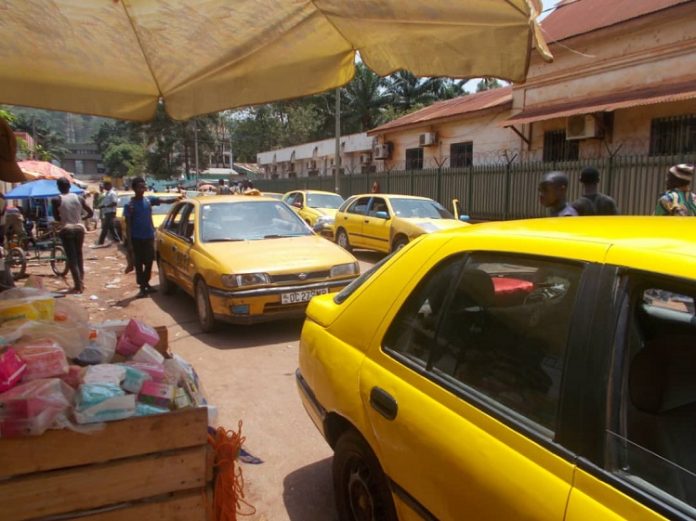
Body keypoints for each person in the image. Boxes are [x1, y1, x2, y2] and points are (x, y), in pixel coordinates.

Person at [125, 177, 180, 298]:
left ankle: (146, 283)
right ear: (134, 188)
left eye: (144, 186)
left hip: (149, 236)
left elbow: (163, 200)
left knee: (149, 261)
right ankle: (142, 286)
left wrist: (176, 199)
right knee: (138, 263)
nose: (143, 189)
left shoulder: (148, 200)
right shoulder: (130, 205)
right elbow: (128, 225)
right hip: (136, 238)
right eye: (140, 187)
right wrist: (129, 243)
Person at [51, 177, 93, 294]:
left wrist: (63, 218)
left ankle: (78, 286)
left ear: (58, 187)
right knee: (79, 256)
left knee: (72, 258)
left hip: (67, 229)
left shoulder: (56, 200)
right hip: (79, 228)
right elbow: (90, 213)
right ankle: (81, 282)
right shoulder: (79, 197)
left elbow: (56, 217)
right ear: (69, 186)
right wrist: (81, 218)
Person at [96, 178, 121, 245]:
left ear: (109, 185)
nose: (104, 187)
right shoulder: (107, 193)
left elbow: (114, 203)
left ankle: (100, 242)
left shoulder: (112, 193)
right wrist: (101, 205)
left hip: (111, 212)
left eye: (105, 185)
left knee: (105, 227)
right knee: (111, 227)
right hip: (107, 212)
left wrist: (105, 206)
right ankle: (117, 240)